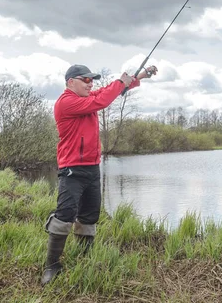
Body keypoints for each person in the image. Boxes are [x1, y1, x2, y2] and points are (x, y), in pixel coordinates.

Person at [41, 63, 158, 286]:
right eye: (85, 80)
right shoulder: (67, 102)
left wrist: (139, 76)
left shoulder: (84, 99)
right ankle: (52, 265)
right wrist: (119, 82)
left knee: (90, 216)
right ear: (70, 82)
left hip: (92, 168)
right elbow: (102, 99)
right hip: (72, 169)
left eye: (91, 79)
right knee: (65, 214)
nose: (90, 83)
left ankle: (85, 258)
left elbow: (105, 94)